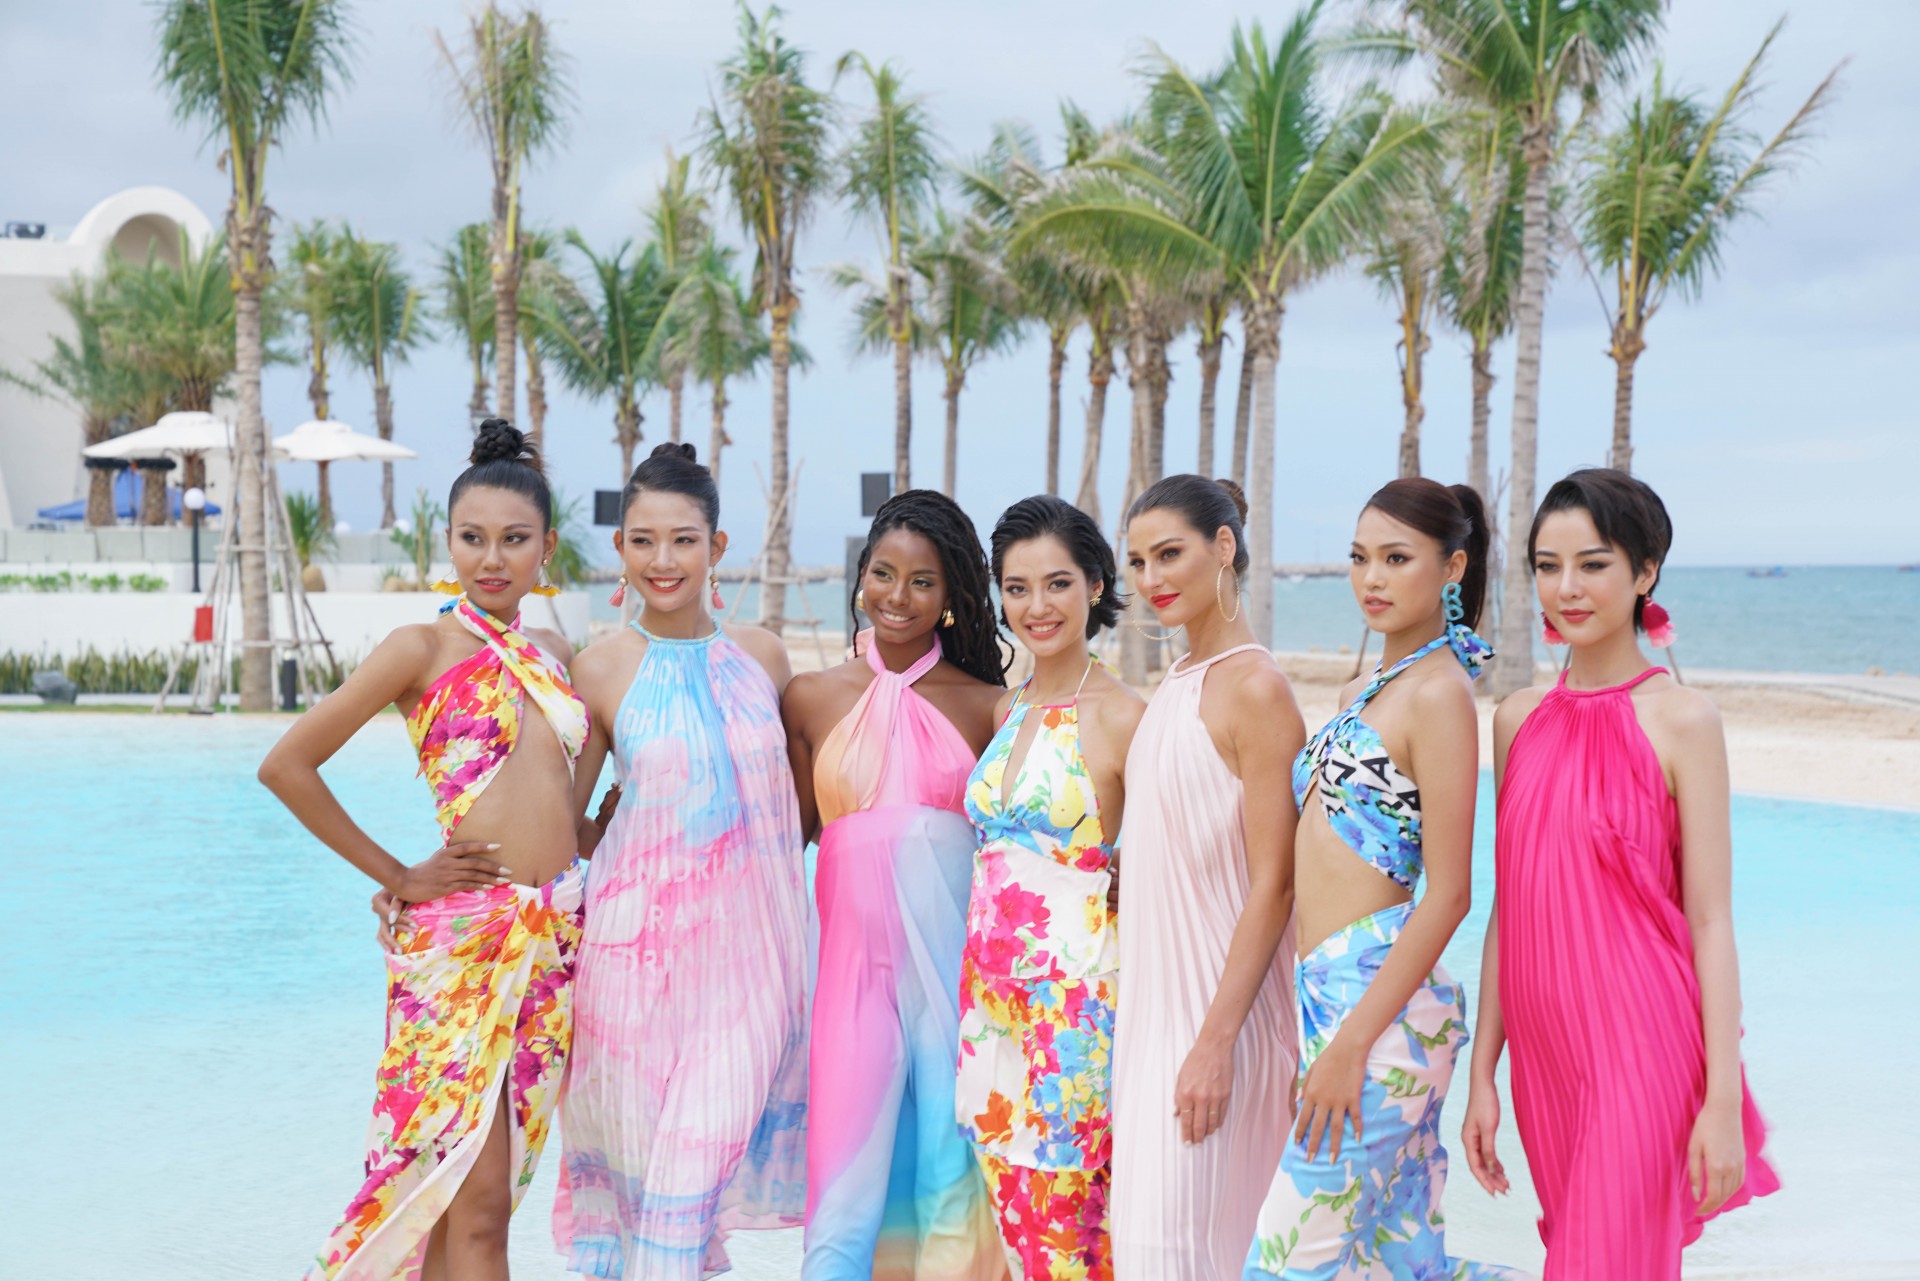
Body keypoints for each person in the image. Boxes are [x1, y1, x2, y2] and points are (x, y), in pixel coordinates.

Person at [262, 419, 589, 1281]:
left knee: (480, 1200)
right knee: (463, 1203)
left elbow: (556, 800)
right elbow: (286, 764)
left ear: (547, 547)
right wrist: (399, 875)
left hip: (552, 944)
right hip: (462, 946)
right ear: (446, 541)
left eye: (514, 539)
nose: (492, 558)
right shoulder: (421, 647)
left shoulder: (557, 655)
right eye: (472, 538)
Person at [1464, 468, 1777, 1279]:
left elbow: (1710, 919)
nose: (1566, 587)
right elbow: (1511, 906)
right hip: (1545, 1062)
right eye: (1547, 565)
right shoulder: (1516, 718)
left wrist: (1720, 1098)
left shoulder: (1682, 718)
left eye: (1594, 564)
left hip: (1643, 1043)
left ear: (1645, 573)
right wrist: (1482, 1072)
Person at [1243, 478, 1523, 1280]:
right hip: (1329, 999)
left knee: (1281, 1266)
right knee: (1392, 1264)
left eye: (1397, 559)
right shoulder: (1363, 690)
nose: (1371, 577)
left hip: (1382, 1016)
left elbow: (1452, 891)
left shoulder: (1439, 695)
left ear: (1452, 568)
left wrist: (1352, 1043)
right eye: (1360, 557)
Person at [550, 442, 810, 1279]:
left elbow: (806, 804)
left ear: (717, 546)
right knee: (647, 1214)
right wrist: (431, 892)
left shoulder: (766, 657)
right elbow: (562, 824)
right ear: (620, 548)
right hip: (630, 976)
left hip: (752, 974)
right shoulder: (598, 668)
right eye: (643, 540)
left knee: (685, 1193)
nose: (663, 560)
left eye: (684, 539)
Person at [781, 489, 1010, 1281]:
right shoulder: (811, 699)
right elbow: (779, 845)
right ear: (860, 576)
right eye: (883, 573)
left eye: (922, 581)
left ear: (950, 595)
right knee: (842, 1194)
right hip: (850, 984)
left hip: (957, 985)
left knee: (951, 1181)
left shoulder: (990, 708)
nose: (898, 596)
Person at [1110, 475, 1302, 1281]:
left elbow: (1276, 882)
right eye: (1138, 562)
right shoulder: (1177, 681)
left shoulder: (1257, 688)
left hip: (1219, 1024)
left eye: (1169, 554)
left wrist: (1216, 1043)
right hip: (1151, 1026)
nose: (1151, 578)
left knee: (1183, 1256)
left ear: (1224, 546)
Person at [957, 496, 1146, 1281]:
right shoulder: (1007, 707)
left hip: (1074, 1017)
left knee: (1071, 1244)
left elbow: (1168, 867)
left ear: (1096, 584)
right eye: (1017, 587)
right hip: (988, 1011)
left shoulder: (1125, 716)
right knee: (1014, 1234)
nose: (1037, 605)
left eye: (1058, 583)